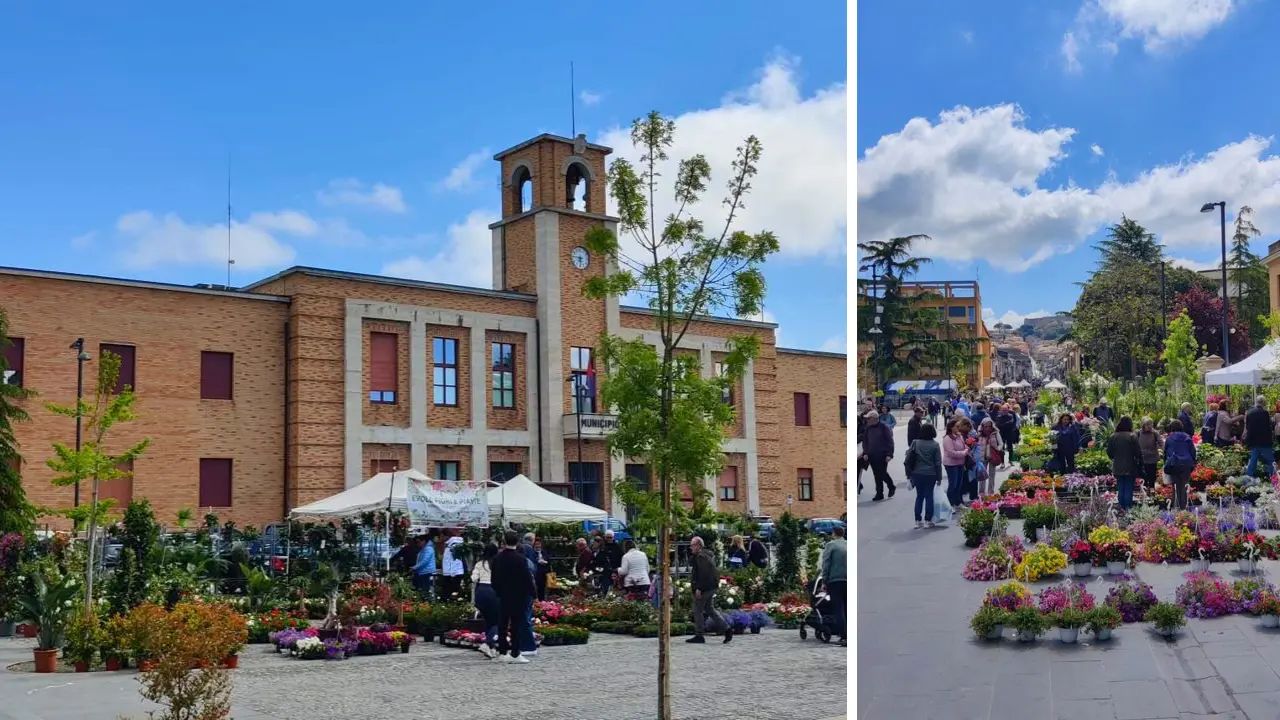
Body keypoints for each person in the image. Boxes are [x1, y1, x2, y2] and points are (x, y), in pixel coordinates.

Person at [490, 530, 535, 663]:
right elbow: (527, 578)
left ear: (504, 542)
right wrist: (532, 593)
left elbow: (494, 578)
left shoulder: (498, 558)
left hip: (503, 595)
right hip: (518, 596)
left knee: (502, 624)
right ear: (517, 542)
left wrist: (498, 590)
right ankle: (515, 652)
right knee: (516, 624)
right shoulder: (521, 558)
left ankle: (502, 652)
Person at [686, 536, 732, 644]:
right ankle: (727, 629)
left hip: (705, 588)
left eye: (692, 545)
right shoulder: (706, 555)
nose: (690, 547)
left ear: (698, 546)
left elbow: (704, 574)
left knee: (698, 610)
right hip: (711, 587)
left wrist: (698, 588)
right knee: (709, 609)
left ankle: (699, 635)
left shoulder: (701, 557)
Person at [905, 423, 944, 528]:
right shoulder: (935, 445)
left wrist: (909, 476)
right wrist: (939, 477)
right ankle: (928, 520)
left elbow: (908, 459)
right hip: (930, 473)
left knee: (919, 496)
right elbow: (938, 462)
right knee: (929, 496)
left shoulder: (915, 443)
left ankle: (917, 520)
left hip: (917, 473)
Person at [819, 526, 847, 647]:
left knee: (838, 608)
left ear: (834, 534)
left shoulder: (831, 545)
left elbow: (826, 563)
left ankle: (844, 636)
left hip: (835, 580)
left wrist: (824, 580)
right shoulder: (847, 544)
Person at [470, 543, 500, 658]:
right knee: (497, 620)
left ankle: (491, 647)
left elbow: (473, 578)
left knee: (488, 619)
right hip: (494, 591)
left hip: (481, 592)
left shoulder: (479, 564)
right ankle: (487, 643)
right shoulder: (497, 564)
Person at [1107, 416, 1142, 510]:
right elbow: (1138, 452)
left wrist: (1115, 457)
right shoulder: (1132, 436)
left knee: (1121, 487)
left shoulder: (1113, 436)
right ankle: (1128, 509)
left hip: (1117, 466)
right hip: (1130, 465)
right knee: (1129, 488)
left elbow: (1109, 452)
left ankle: (1120, 508)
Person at [861, 410, 896, 501]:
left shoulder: (884, 427)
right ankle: (879, 493)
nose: (867, 420)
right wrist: (865, 452)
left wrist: (889, 454)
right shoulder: (868, 428)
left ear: (874, 419)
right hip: (872, 455)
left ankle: (891, 486)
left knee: (882, 473)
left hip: (882, 455)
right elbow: (865, 442)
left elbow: (890, 442)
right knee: (876, 475)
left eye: (869, 418)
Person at [1163, 419, 1197, 510]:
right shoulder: (1187, 437)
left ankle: (1176, 506)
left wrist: (1165, 462)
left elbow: (1165, 452)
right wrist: (1193, 463)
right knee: (1184, 485)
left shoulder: (1169, 438)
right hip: (1186, 463)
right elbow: (1193, 451)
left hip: (1174, 463)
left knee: (1175, 485)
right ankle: (1183, 507)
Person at [942, 417, 972, 507]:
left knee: (959, 484)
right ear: (951, 427)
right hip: (951, 464)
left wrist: (967, 447)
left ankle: (958, 502)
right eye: (956, 426)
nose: (958, 428)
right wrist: (964, 453)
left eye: (958, 426)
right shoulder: (947, 438)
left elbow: (964, 446)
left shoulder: (959, 436)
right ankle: (950, 504)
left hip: (960, 463)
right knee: (953, 484)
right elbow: (951, 453)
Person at [1245, 395, 1275, 479]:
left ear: (1256, 402)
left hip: (1253, 440)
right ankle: (1273, 478)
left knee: (1253, 459)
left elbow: (1247, 427)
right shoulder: (1265, 413)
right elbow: (1268, 427)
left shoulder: (1249, 412)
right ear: (1264, 403)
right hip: (1265, 440)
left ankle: (1249, 477)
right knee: (1270, 460)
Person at [975, 418, 1004, 496]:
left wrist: (998, 449)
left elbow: (1001, 443)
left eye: (989, 426)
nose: (988, 428)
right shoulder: (979, 433)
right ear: (983, 426)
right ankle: (981, 492)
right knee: (982, 474)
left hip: (992, 456)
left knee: (992, 474)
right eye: (986, 426)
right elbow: (975, 444)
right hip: (982, 456)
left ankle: (991, 492)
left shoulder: (995, 432)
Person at [439, 529, 466, 601]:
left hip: (453, 573)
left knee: (451, 591)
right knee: (451, 590)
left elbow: (455, 560)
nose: (441, 538)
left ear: (446, 536)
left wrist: (452, 573)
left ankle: (453, 604)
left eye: (442, 536)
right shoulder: (450, 545)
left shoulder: (454, 545)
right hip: (451, 572)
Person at [1137, 417, 1161, 493]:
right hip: (1142, 457)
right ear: (1143, 425)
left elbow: (1161, 442)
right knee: (1143, 474)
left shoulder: (1155, 433)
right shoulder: (1138, 433)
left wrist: (1164, 449)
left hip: (1152, 457)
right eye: (1147, 424)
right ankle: (1145, 489)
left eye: (1151, 424)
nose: (1149, 426)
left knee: (1152, 474)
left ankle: (1151, 488)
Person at [412, 533, 437, 599]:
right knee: (423, 588)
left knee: (426, 588)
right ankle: (424, 601)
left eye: (418, 542)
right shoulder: (424, 548)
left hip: (426, 572)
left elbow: (424, 561)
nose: (417, 544)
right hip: (422, 572)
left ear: (423, 541)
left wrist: (415, 567)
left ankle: (427, 601)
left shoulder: (428, 549)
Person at [995, 404, 1019, 469]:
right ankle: (1002, 462)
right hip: (1002, 435)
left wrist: (1004, 425)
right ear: (1001, 410)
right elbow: (998, 424)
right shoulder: (998, 417)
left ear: (1008, 410)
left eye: (1005, 410)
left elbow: (1011, 422)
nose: (1004, 411)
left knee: (1010, 448)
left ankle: (1010, 460)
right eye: (1003, 410)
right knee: (1001, 449)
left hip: (1009, 434)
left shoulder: (1010, 415)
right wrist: (1006, 424)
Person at [531, 537, 551, 601]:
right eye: (536, 544)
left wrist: (545, 562)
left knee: (544, 589)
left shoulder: (544, 552)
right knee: (538, 588)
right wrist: (538, 561)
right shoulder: (532, 553)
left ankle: (544, 600)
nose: (537, 545)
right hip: (537, 574)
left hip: (545, 573)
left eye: (539, 544)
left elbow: (549, 560)